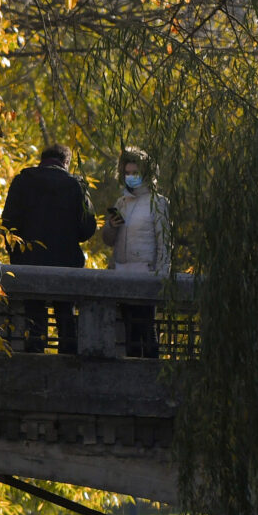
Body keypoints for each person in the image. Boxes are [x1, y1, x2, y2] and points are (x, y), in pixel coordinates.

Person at [0, 143, 97, 352]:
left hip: (28, 264)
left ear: (42, 160)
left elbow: (7, 225)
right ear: (66, 162)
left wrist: (17, 254)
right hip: (66, 265)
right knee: (65, 316)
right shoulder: (76, 186)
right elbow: (88, 228)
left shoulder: (22, 181)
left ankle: (34, 358)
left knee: (33, 316)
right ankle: (69, 361)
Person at [101, 146, 170, 358]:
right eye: (127, 173)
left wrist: (161, 275)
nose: (131, 177)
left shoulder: (157, 203)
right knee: (128, 331)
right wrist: (111, 226)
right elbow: (108, 240)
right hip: (122, 270)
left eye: (135, 173)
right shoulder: (121, 203)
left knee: (147, 329)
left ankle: (151, 376)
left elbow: (165, 241)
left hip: (145, 273)